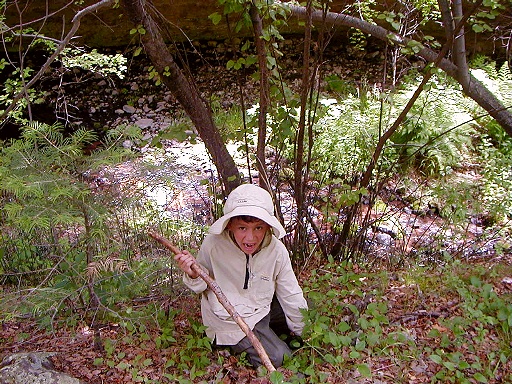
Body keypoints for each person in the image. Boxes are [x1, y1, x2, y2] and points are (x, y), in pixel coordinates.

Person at [174, 183, 308, 368]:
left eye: (258, 228)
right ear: (230, 226)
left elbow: (290, 293)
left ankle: (270, 334)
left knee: (303, 309)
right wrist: (193, 274)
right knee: (279, 357)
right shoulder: (213, 245)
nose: (250, 238)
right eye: (243, 228)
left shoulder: (276, 250)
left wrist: (305, 334)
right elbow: (201, 283)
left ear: (268, 227)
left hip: (260, 306)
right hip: (231, 320)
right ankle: (236, 344)